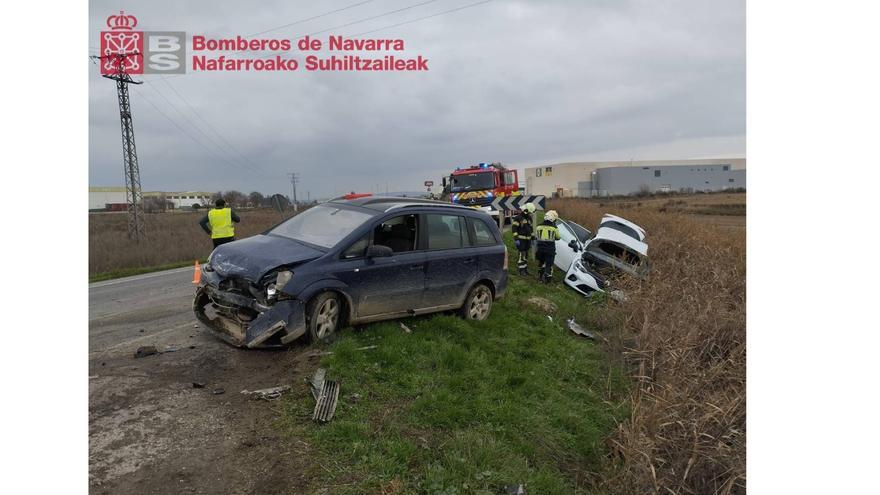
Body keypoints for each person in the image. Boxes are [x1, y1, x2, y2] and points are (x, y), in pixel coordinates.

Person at [535, 210, 561, 284]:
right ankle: (547, 281)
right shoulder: (554, 228)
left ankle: (540, 278)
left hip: (540, 249)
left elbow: (537, 236)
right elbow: (558, 237)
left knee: (541, 263)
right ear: (552, 219)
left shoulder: (538, 226)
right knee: (549, 265)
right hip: (550, 250)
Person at [511, 203, 536, 275]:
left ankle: (525, 269)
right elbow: (514, 229)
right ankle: (521, 270)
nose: (531, 214)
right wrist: (516, 239)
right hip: (520, 240)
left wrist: (533, 238)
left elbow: (530, 229)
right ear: (526, 210)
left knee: (525, 256)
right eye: (530, 212)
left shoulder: (529, 218)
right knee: (521, 255)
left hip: (527, 241)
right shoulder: (518, 218)